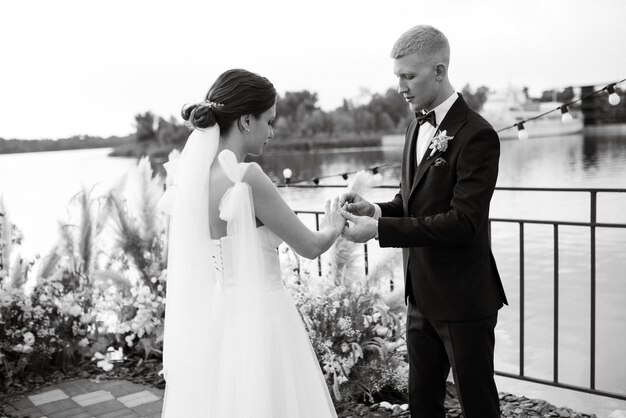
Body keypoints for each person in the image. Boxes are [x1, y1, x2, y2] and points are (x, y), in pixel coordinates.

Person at [339, 25, 508, 418]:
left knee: (479, 406)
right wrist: (376, 211)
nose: (400, 86)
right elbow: (411, 201)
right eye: (397, 76)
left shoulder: (477, 135)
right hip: (421, 296)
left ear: (439, 70)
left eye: (408, 76)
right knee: (422, 406)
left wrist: (380, 232)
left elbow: (462, 222)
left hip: (464, 299)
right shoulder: (416, 125)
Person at [160, 69, 343, 417]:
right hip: (266, 317)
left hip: (223, 317)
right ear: (246, 121)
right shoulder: (247, 177)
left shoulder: (194, 180)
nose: (272, 133)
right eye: (269, 122)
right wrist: (333, 226)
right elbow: (309, 245)